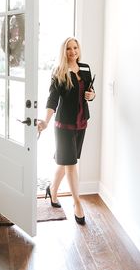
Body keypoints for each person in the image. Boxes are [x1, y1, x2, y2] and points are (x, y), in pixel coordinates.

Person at [37, 37, 96, 225]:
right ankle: (77, 204)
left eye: (75, 47)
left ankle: (52, 190)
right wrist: (45, 121)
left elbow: (90, 91)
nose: (72, 51)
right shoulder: (59, 72)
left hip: (81, 123)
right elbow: (52, 99)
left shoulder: (85, 68)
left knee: (65, 161)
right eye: (69, 49)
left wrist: (92, 95)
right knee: (70, 163)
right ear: (64, 51)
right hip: (64, 125)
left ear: (79, 49)